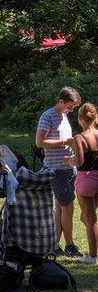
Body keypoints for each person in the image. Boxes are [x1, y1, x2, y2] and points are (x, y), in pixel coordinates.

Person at [37, 86, 82, 258]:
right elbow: (40, 142)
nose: (71, 110)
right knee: (68, 208)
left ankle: (54, 245)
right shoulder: (47, 116)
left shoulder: (64, 116)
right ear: (61, 101)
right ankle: (70, 245)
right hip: (57, 170)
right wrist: (65, 142)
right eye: (70, 106)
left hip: (69, 168)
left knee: (60, 209)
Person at [64, 102, 98, 264]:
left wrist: (68, 160)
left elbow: (79, 161)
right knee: (88, 219)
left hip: (86, 180)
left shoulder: (79, 137)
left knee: (89, 219)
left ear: (80, 119)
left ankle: (92, 256)